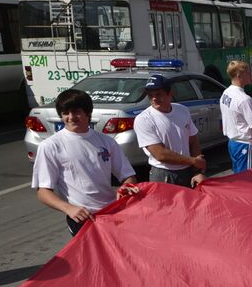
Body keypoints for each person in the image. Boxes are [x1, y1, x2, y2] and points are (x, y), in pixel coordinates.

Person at [32, 88, 139, 235]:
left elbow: (128, 176)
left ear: (88, 113)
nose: (71, 117)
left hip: (112, 213)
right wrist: (69, 209)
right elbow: (43, 192)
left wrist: (126, 187)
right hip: (82, 219)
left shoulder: (107, 142)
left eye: (76, 112)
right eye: (65, 113)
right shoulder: (50, 146)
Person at [134, 75, 206, 188]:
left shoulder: (182, 110)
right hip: (163, 175)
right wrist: (193, 161)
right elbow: (160, 154)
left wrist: (197, 172)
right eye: (150, 95)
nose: (154, 98)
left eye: (158, 94)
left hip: (187, 173)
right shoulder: (143, 119)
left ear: (170, 94)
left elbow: (193, 141)